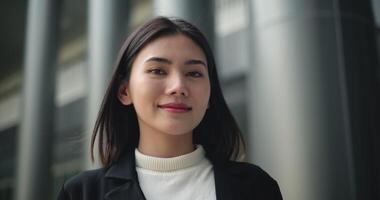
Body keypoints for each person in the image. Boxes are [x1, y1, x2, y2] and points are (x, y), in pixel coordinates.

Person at [57, 16, 282, 200]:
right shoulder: (82, 193)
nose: (178, 87)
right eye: (158, 71)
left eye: (194, 73)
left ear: (210, 95)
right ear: (125, 91)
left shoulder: (256, 187)